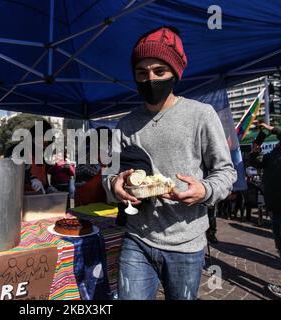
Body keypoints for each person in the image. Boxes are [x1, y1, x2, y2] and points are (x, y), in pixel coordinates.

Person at [102, 26, 237, 300]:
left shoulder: (201, 115)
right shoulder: (125, 124)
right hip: (137, 237)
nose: (150, 79)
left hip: (186, 243)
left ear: (175, 73)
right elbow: (109, 173)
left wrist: (205, 190)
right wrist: (114, 186)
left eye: (159, 71)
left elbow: (226, 171)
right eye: (142, 73)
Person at [250, 121, 281, 299]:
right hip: (278, 209)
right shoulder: (277, 150)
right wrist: (256, 149)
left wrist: (272, 129)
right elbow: (258, 162)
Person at [74, 126, 112, 207]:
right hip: (93, 197)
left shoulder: (84, 150)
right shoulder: (98, 153)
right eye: (108, 141)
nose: (109, 144)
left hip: (81, 195)